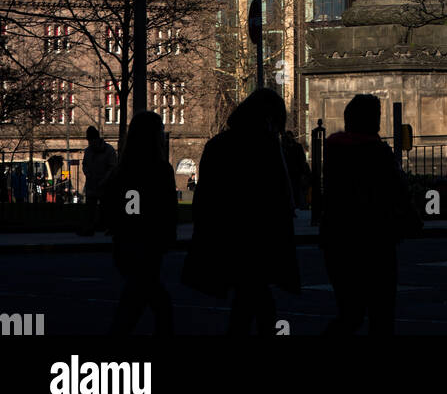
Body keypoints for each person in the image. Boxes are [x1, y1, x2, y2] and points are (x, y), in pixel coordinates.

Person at [183, 88, 300, 334]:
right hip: (256, 236)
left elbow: (205, 197)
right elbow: (278, 196)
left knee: (249, 300)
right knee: (256, 300)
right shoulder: (266, 146)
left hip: (229, 234)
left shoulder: (218, 144)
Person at [319, 93, 421, 335]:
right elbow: (397, 192)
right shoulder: (377, 152)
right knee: (381, 314)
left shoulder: (334, 149)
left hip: (338, 239)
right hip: (376, 241)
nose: (378, 121)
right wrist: (411, 220)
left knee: (350, 314)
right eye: (376, 116)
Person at [103, 110, 177, 335]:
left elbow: (116, 207)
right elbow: (167, 209)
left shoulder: (123, 170)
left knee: (139, 303)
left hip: (128, 243)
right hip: (148, 244)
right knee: (152, 306)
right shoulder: (160, 169)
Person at [80, 126, 117, 234]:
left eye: (92, 140)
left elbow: (112, 167)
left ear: (96, 139)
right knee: (90, 208)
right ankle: (90, 227)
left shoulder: (108, 150)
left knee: (106, 207)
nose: (91, 143)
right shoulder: (88, 151)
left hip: (105, 184)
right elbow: (85, 165)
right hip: (92, 183)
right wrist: (87, 173)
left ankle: (107, 227)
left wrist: (104, 179)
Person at [281, 131, 311, 212]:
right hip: (291, 172)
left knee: (297, 189)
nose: (288, 139)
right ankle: (295, 205)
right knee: (293, 189)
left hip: (296, 172)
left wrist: (302, 171)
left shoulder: (296, 147)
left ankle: (297, 205)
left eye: (289, 136)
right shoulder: (284, 147)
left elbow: (302, 159)